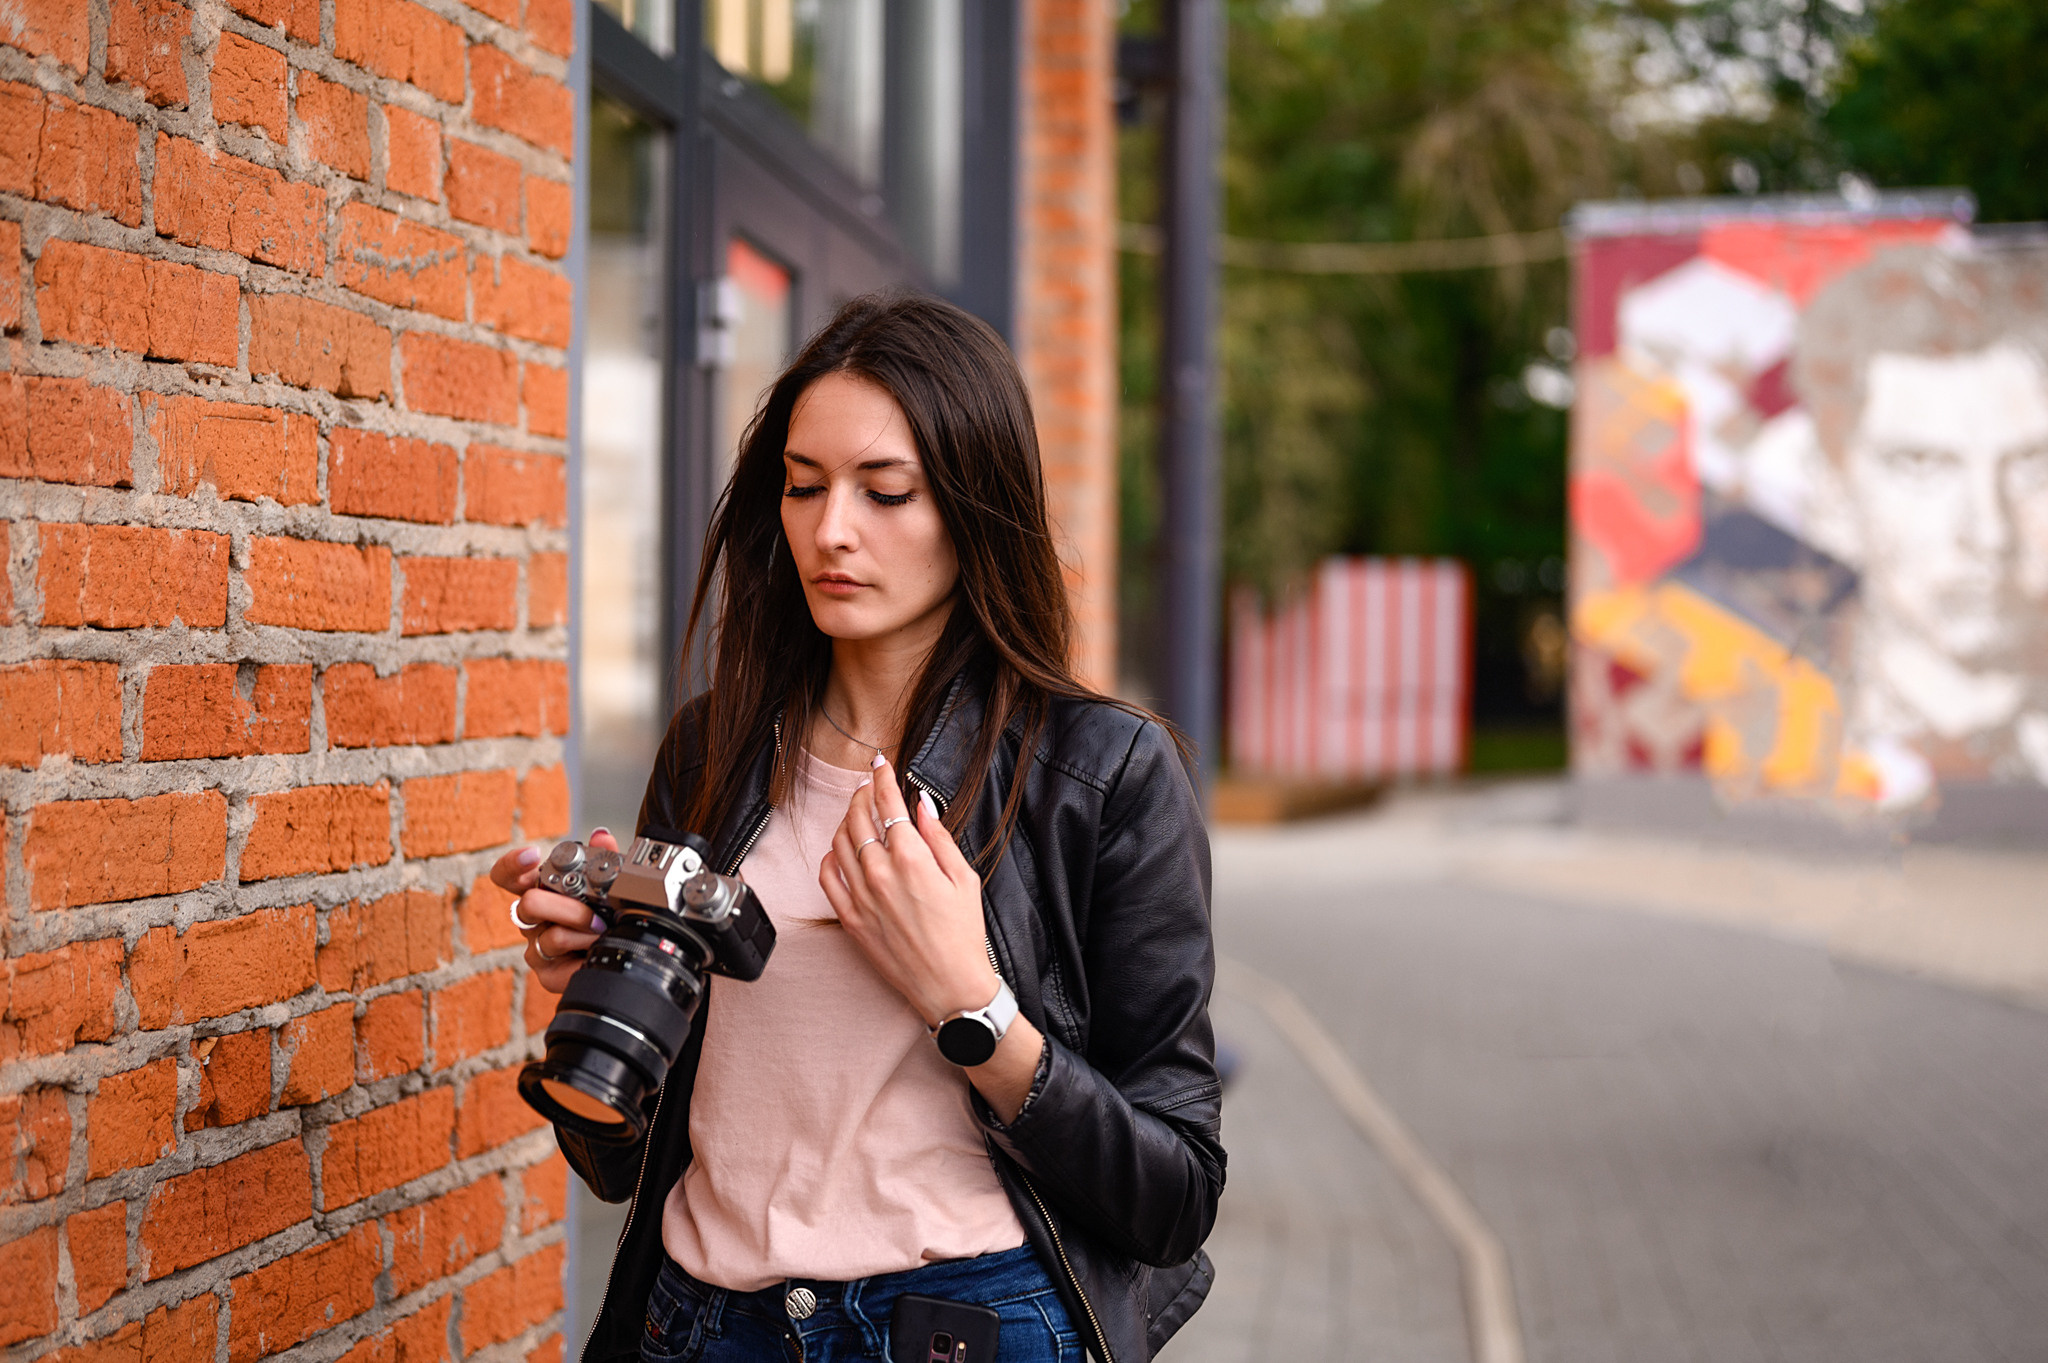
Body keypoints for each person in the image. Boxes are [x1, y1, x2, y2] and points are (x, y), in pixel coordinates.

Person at [490, 293, 1223, 1363]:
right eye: (801, 486)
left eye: (886, 492)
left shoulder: (1098, 773)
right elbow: (617, 1164)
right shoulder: (714, 749)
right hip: (697, 1322)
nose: (831, 529)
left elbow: (1174, 1193)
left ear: (975, 506)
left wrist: (971, 1008)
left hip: (962, 1327)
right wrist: (598, 1001)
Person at [1794, 245, 2048, 801]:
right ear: (1832, 492)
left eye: (2033, 466)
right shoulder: (1781, 736)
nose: (1989, 533)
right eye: (1923, 466)